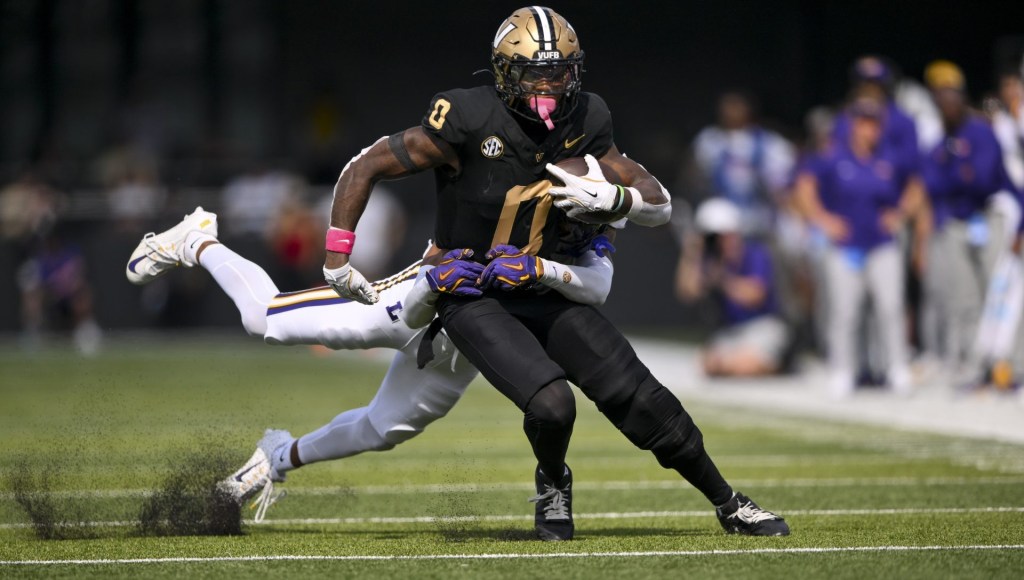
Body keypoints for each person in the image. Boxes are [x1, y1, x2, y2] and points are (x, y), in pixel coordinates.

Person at [318, 7, 788, 539]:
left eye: (560, 71)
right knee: (552, 404)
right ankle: (553, 481)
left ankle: (729, 502)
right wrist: (337, 254)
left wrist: (615, 196)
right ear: (502, 71)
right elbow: (365, 166)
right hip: (473, 292)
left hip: (542, 280)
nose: (549, 84)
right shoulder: (466, 116)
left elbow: (659, 204)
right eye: (535, 72)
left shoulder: (586, 119)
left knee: (638, 395)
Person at [125, 206, 617, 522]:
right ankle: (196, 239)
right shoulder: (513, 175)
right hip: (412, 304)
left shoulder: (594, 217)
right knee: (263, 319)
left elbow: (607, 269)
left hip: (469, 344)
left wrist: (608, 213)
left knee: (384, 429)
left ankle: (277, 457)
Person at [794, 96, 931, 398]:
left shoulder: (890, 157)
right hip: (845, 246)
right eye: (863, 123)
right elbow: (804, 187)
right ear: (853, 125)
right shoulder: (834, 155)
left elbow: (918, 183)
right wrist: (823, 220)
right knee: (845, 311)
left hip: (882, 244)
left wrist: (901, 214)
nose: (869, 129)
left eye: (874, 123)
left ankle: (896, 368)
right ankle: (843, 369)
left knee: (891, 307)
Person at [920, 61, 1024, 389]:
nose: (947, 102)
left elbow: (981, 180)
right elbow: (932, 184)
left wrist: (955, 176)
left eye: (952, 95)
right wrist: (957, 177)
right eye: (941, 97)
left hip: (994, 216)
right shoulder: (938, 138)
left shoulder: (982, 130)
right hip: (957, 222)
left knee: (1002, 296)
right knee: (963, 299)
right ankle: (973, 364)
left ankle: (1012, 365)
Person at [675, 198, 790, 377]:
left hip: (762, 325)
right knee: (709, 364)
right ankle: (740, 364)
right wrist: (691, 254)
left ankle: (777, 364)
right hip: (730, 332)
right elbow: (688, 292)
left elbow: (755, 295)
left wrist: (722, 279)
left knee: (745, 363)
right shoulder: (710, 260)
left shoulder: (755, 254)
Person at [689, 91, 796, 236]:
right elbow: (695, 179)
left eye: (737, 106)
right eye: (729, 107)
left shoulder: (769, 142)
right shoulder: (709, 140)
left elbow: (782, 183)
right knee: (710, 215)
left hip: (760, 210)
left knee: (790, 226)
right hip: (724, 210)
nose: (732, 111)